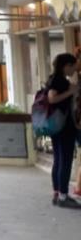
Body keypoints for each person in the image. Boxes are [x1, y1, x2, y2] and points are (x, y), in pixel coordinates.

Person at [46, 52, 80, 208]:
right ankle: (63, 196)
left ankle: (57, 193)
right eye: (73, 67)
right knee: (65, 161)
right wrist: (70, 92)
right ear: (67, 66)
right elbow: (52, 98)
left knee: (59, 160)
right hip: (64, 127)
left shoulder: (53, 78)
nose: (75, 70)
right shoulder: (58, 80)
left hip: (56, 126)